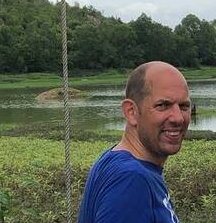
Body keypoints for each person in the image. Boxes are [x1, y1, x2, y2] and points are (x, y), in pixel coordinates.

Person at [78, 61, 191, 223]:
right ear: (131, 112)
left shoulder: (116, 161)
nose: (178, 118)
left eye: (184, 106)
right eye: (163, 105)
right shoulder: (130, 179)